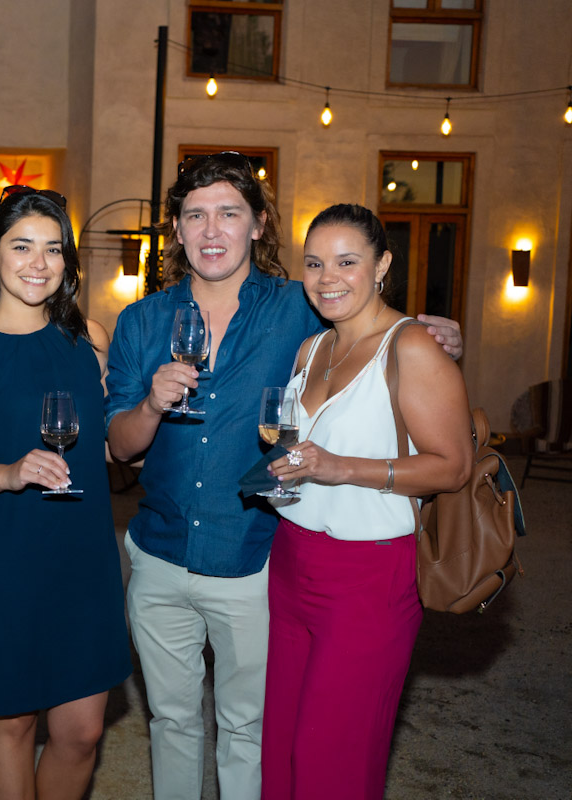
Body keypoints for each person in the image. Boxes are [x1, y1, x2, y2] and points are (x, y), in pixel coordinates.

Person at [103, 152, 465, 800]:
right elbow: (120, 450)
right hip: (158, 555)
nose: (212, 230)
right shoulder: (140, 321)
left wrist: (432, 336)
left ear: (258, 224)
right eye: (195, 215)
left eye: (229, 213)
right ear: (177, 229)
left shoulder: (300, 307)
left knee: (253, 728)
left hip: (254, 557)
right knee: (172, 721)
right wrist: (152, 404)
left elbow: (367, 320)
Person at [260, 204, 472, 799]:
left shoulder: (412, 347)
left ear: (382, 266)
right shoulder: (310, 349)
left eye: (346, 262)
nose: (328, 278)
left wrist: (341, 467)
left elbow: (453, 466)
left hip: (369, 576)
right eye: (314, 264)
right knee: (283, 750)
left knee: (333, 758)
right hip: (292, 562)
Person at [0, 187, 132, 799]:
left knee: (82, 731)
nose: (39, 263)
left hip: (83, 553)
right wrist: (8, 473)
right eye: (22, 247)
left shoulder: (90, 340)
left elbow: (106, 446)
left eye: (53, 249)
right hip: (3, 557)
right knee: (12, 720)